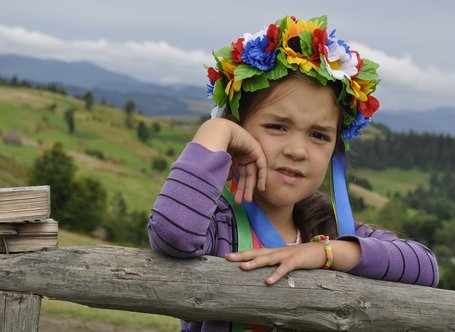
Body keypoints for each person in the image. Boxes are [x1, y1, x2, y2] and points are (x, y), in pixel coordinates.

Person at [148, 15, 439, 331]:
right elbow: (173, 233)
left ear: (335, 152)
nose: (297, 150)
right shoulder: (217, 228)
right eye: (276, 126)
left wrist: (323, 252)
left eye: (319, 135)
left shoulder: (329, 229)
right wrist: (217, 130)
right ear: (238, 130)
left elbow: (425, 267)